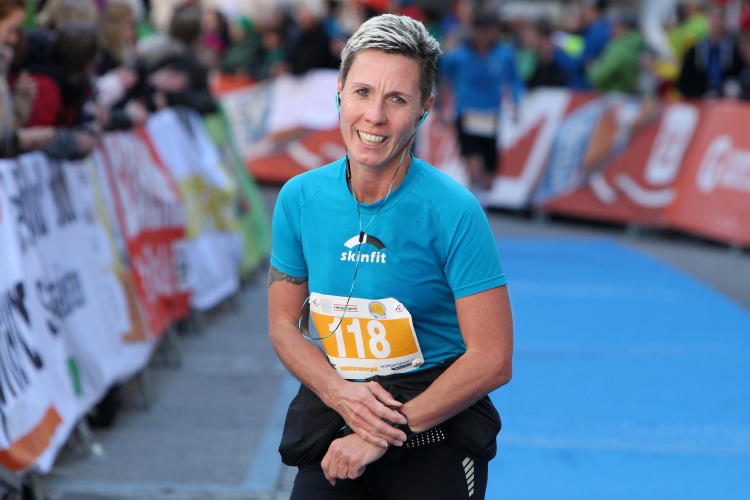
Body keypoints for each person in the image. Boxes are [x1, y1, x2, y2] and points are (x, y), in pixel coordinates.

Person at [268, 13, 513, 500]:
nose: (375, 116)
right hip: (340, 417)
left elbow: (492, 360)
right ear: (339, 92)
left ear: (425, 108)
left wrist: (380, 433)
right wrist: (338, 392)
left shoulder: (454, 210)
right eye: (362, 92)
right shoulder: (299, 198)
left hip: (434, 430)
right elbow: (282, 325)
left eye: (397, 99)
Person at [440, 13, 522, 199]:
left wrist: (516, 105)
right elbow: (445, 82)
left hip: (491, 117)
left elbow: (514, 80)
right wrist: (443, 108)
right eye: (480, 31)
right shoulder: (458, 56)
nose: (484, 36)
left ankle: (478, 196)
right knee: (474, 164)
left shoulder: (505, 55)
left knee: (489, 178)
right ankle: (473, 202)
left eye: (488, 31)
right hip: (465, 115)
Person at [677, 5, 743, 98]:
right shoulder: (695, 50)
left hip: (727, 100)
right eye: (712, 18)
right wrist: (701, 95)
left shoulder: (734, 49)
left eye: (719, 18)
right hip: (700, 100)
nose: (715, 22)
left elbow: (740, 75)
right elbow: (684, 83)